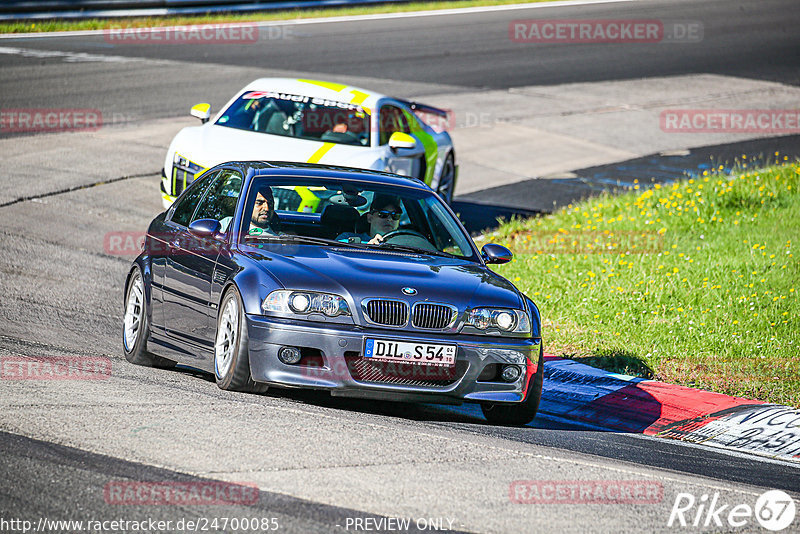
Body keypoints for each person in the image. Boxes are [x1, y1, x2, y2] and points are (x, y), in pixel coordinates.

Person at [337, 194, 402, 245]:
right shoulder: (347, 239)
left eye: (395, 215)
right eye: (383, 214)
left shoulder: (405, 244)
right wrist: (367, 249)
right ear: (369, 218)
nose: (390, 219)